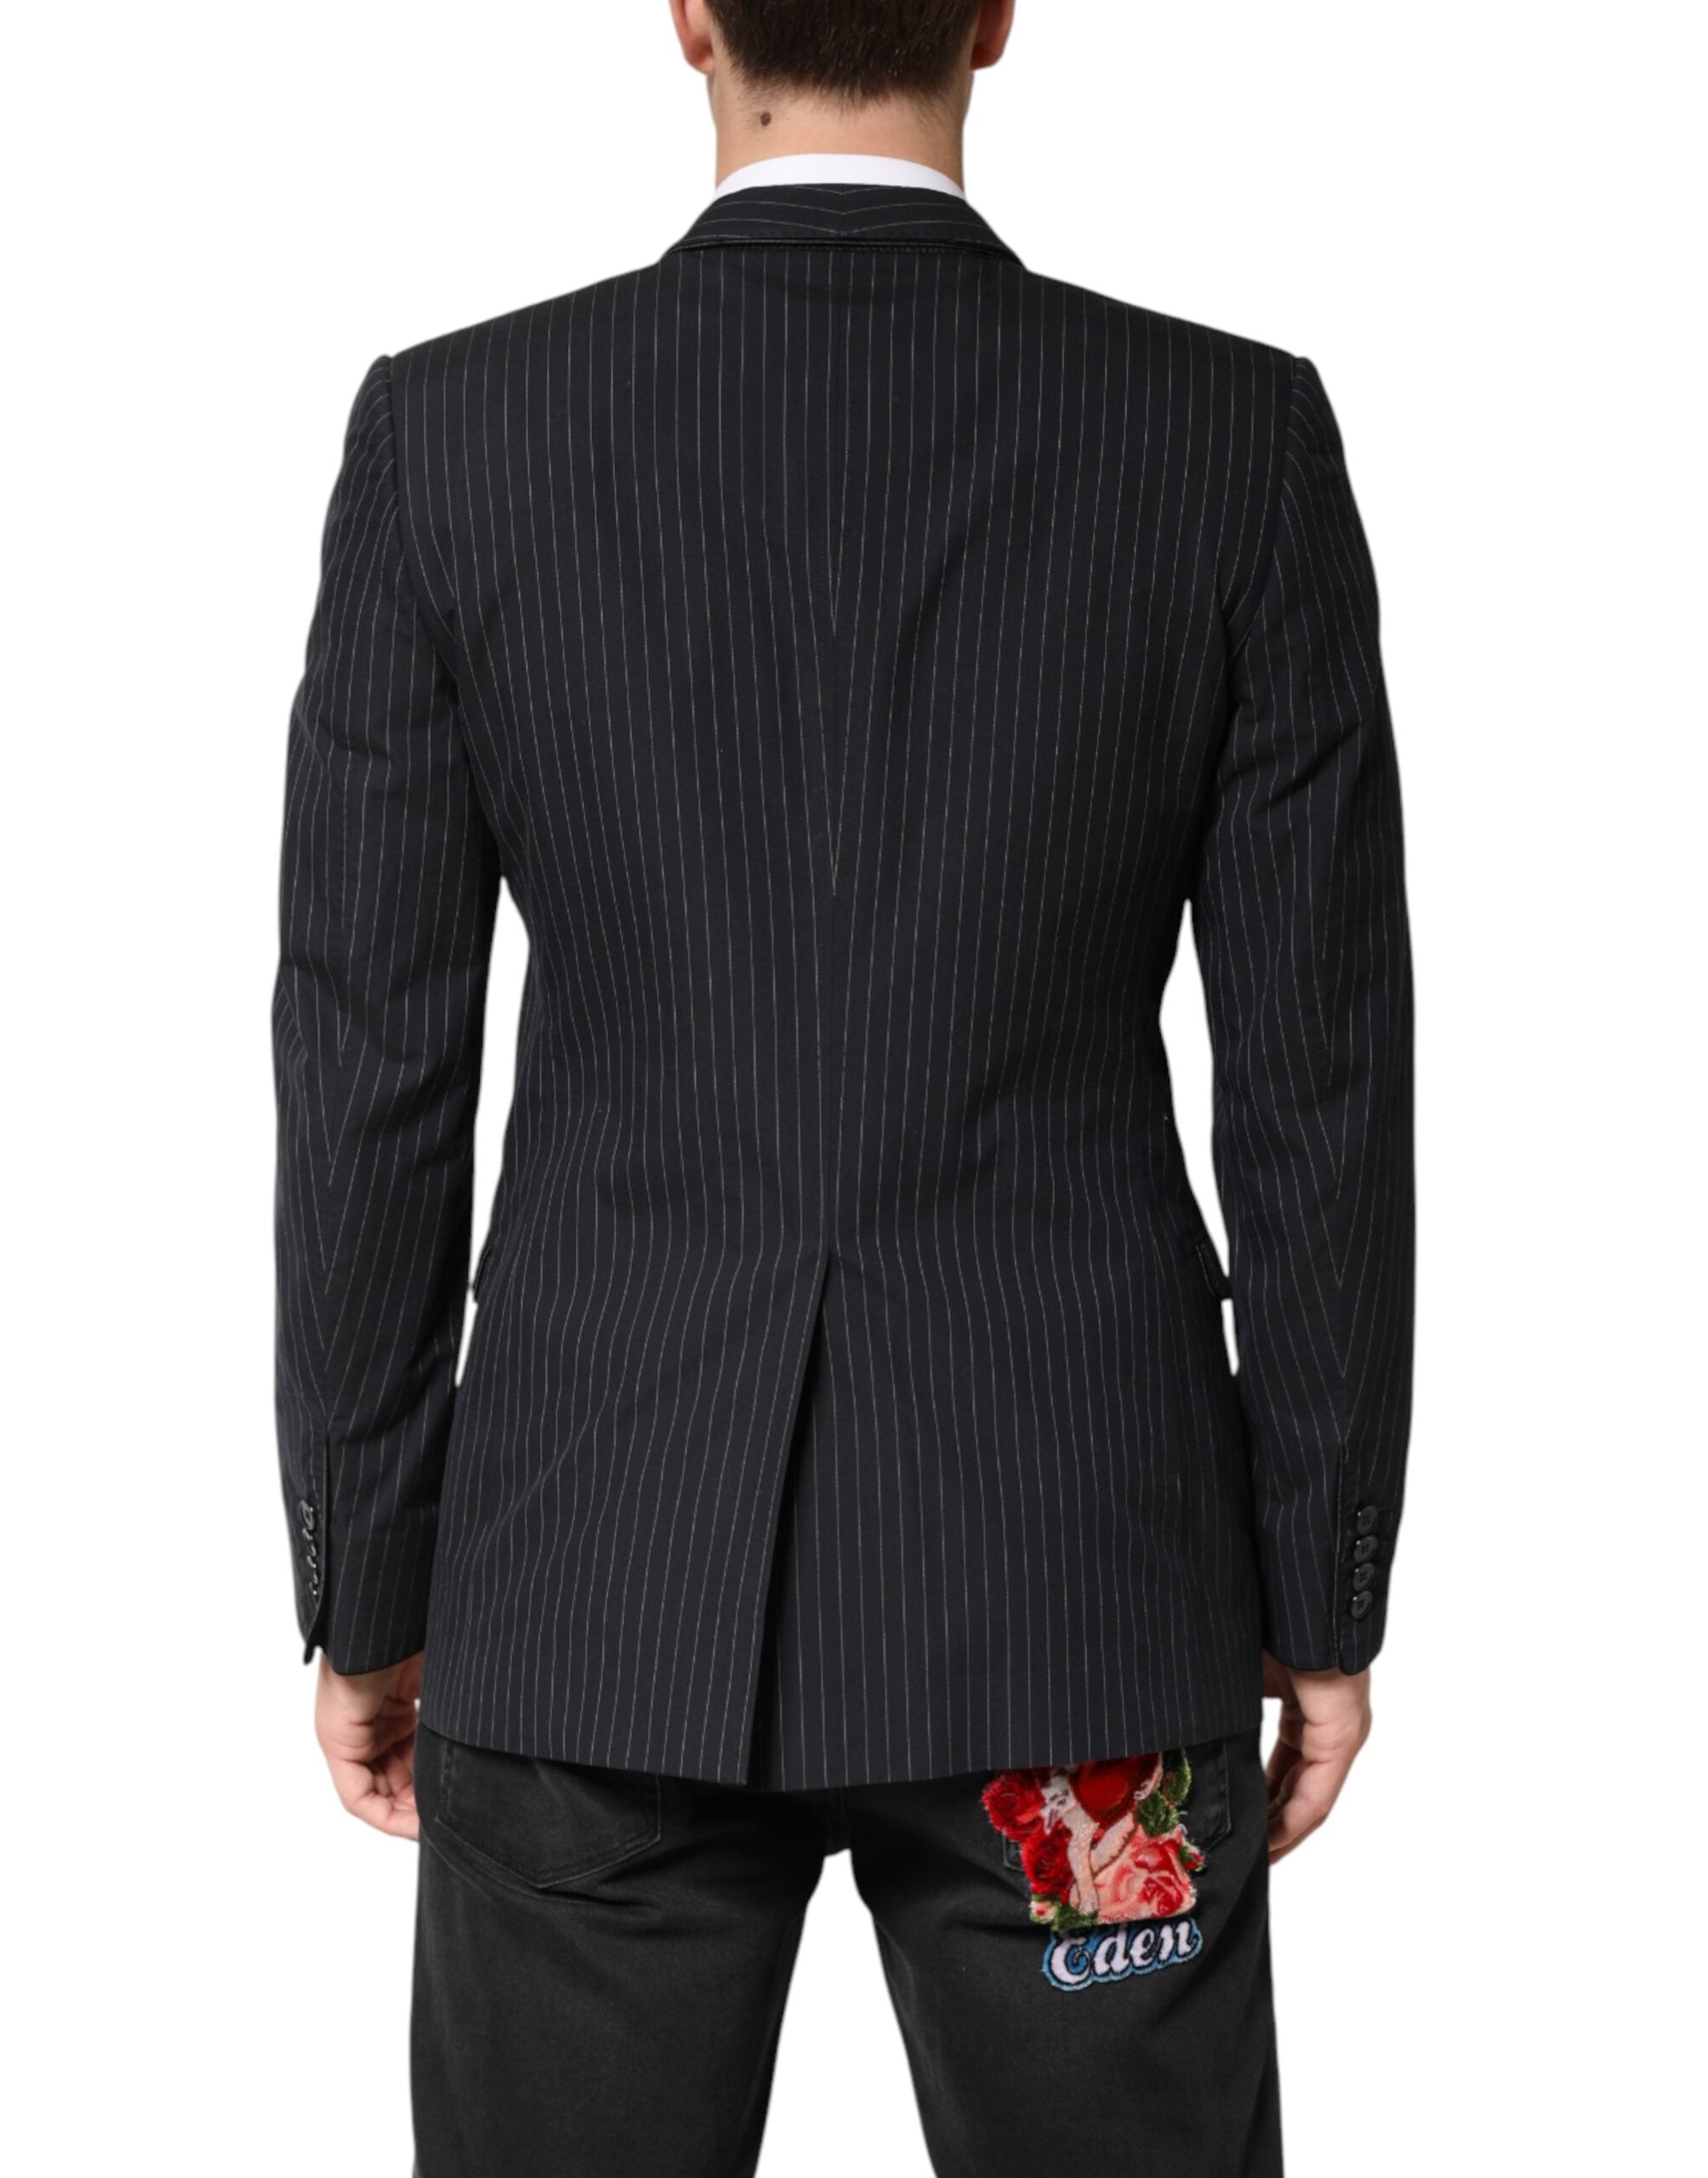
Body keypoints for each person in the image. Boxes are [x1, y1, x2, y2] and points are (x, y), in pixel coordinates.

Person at [272, 3, 1414, 2169]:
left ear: (687, 17)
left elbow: (369, 1064)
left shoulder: (459, 435)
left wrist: (368, 1576)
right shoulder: (1223, 438)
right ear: (992, 18)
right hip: (1080, 1615)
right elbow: (1317, 1077)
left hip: (587, 1593)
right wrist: (1319, 1583)